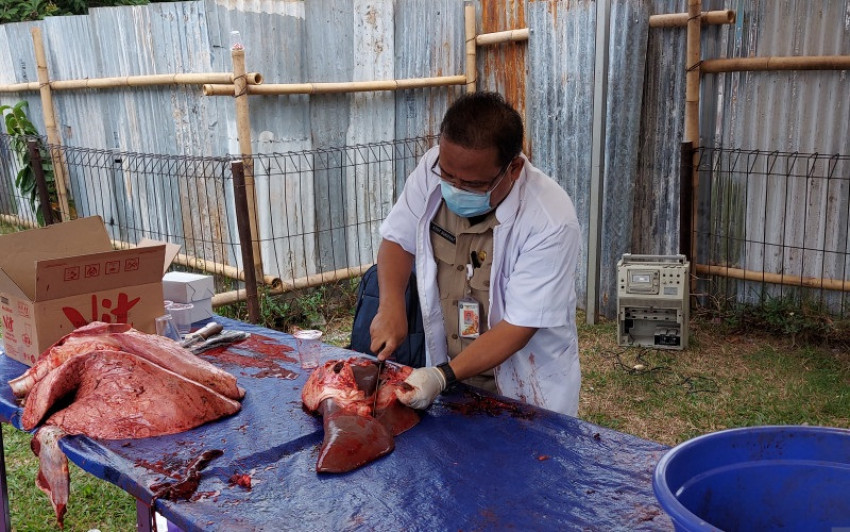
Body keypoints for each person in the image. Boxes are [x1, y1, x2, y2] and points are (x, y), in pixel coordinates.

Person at [369, 92, 581, 416]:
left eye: (472, 184)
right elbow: (398, 240)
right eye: (448, 175)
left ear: (513, 169)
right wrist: (391, 305)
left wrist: (442, 376)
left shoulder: (550, 220)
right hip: (450, 380)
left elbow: (518, 327)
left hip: (523, 390)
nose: (454, 186)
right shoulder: (433, 168)